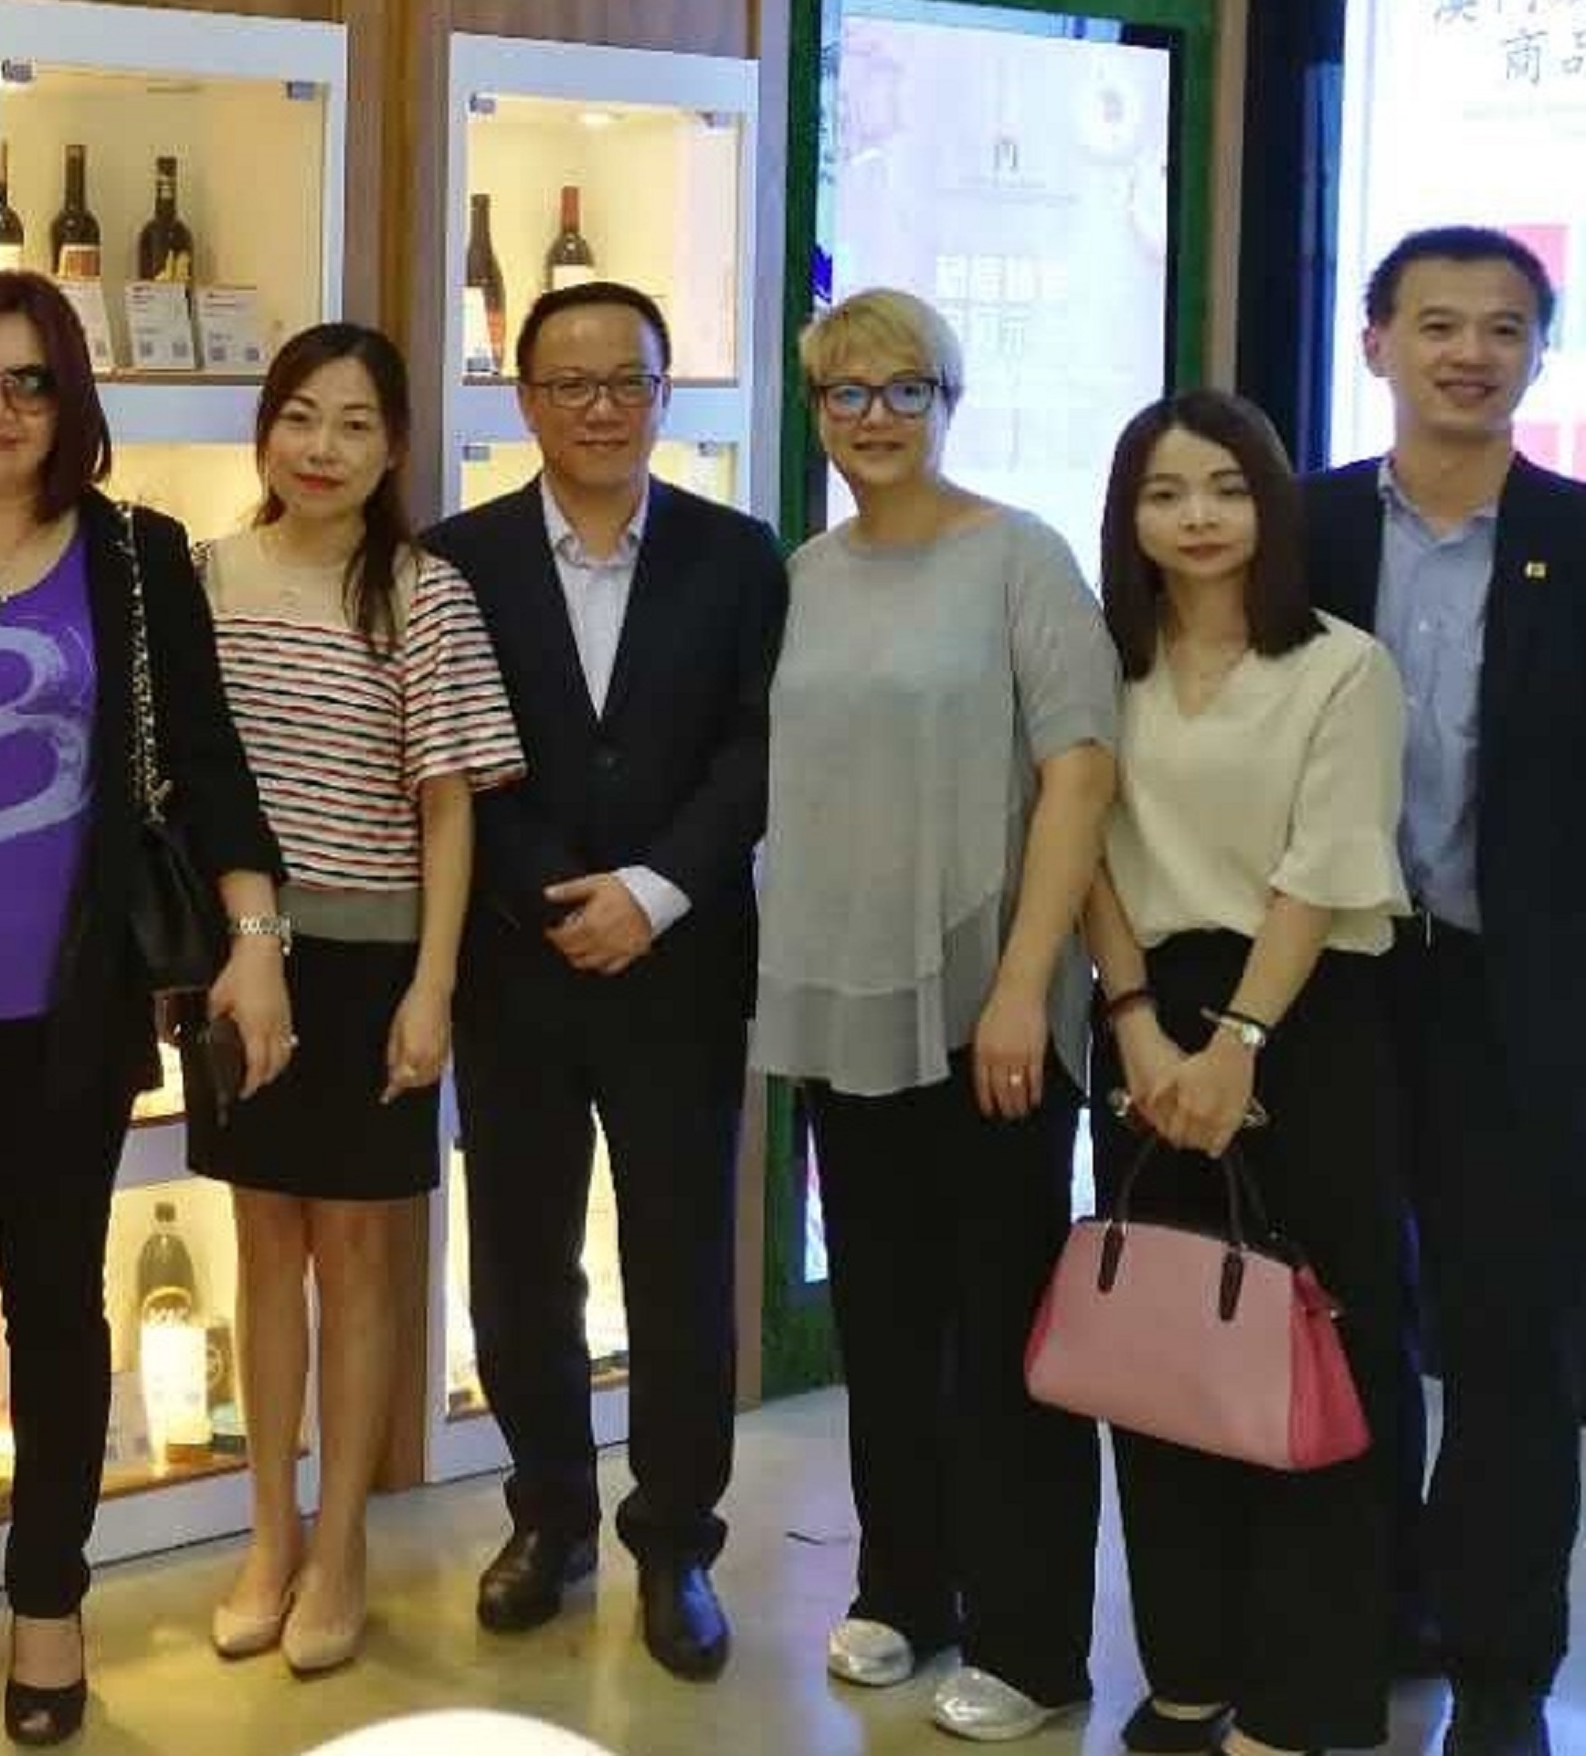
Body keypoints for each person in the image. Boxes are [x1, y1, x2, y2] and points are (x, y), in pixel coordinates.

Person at [0, 272, 287, 1746]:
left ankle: (49, 1597)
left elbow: (210, 763)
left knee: (55, 1305)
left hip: (73, 1007)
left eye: (31, 381)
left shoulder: (134, 555)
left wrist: (254, 938)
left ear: (71, 404)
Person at [751, 286, 1119, 1743]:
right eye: (846, 392)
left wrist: (1026, 981)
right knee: (887, 1320)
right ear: (816, 414)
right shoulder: (806, 572)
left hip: (990, 1005)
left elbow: (1081, 774)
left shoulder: (1022, 557)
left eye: (906, 388)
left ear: (947, 403)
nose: (875, 416)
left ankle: (1034, 1642)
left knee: (1009, 1331)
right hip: (845, 999)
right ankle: (908, 1587)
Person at [422, 282, 782, 1681]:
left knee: (683, 1261)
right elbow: (456, 758)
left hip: (681, 963)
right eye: (570, 384)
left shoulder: (738, 554)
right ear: (523, 401)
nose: (601, 408)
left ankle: (676, 1539)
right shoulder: (455, 560)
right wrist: (553, 896)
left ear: (665, 394)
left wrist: (656, 890)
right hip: (517, 969)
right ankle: (551, 1514)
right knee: (520, 1261)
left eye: (627, 381)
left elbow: (757, 747)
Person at [1078, 389, 1409, 1756]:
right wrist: (1138, 1024)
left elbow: (1324, 871)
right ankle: (1189, 1669)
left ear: (1271, 503)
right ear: (1130, 517)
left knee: (1312, 1354)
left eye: (1226, 487)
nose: (1198, 516)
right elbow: (1083, 850)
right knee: (1164, 1349)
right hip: (1146, 1015)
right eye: (1165, 493)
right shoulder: (1106, 666)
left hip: (1304, 1019)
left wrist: (1238, 1045)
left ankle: (1307, 1690)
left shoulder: (1340, 665)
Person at [195, 322, 519, 1682]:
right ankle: (267, 1535)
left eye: (354, 424)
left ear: (394, 450)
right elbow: (195, 785)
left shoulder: (423, 594)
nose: (320, 448)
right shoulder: (207, 577)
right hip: (242, 957)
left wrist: (433, 986)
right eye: (299, 417)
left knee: (361, 1255)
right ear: (266, 429)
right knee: (262, 1244)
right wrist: (241, 942)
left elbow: (450, 809)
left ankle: (342, 1544)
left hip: (376, 959)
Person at [1299, 225, 1586, 1756]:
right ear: (1377, 344)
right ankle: (1358, 1610)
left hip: (1513, 997)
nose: (1470, 353)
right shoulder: (1301, 526)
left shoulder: (1575, 538)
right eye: (1437, 324)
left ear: (1538, 351)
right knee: (1338, 1310)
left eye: (1503, 327)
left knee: (1509, 1335)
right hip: (1331, 979)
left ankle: (1498, 1661)